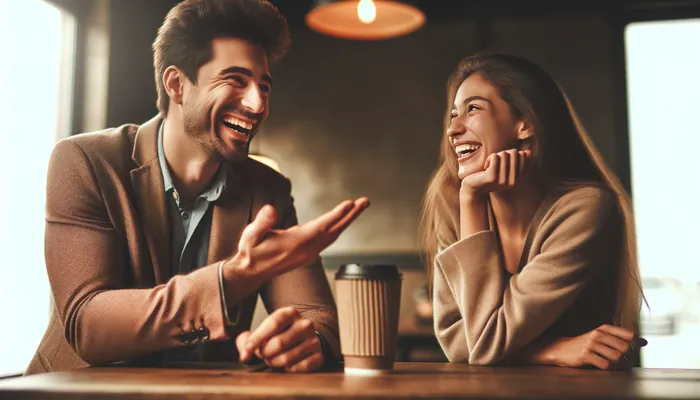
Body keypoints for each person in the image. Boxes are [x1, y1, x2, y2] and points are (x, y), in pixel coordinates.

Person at [26, 0, 369, 375]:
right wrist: (233, 278)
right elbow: (88, 325)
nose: (257, 104)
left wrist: (305, 342)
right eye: (235, 80)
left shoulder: (268, 189)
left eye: (264, 86)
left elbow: (317, 318)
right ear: (176, 84)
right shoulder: (85, 161)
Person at [420, 53, 646, 369]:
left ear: (525, 122)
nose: (452, 129)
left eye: (473, 109)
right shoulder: (453, 200)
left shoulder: (584, 208)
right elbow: (458, 342)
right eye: (453, 114)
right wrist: (554, 350)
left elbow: (481, 344)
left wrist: (471, 198)